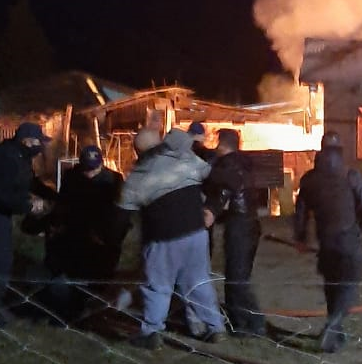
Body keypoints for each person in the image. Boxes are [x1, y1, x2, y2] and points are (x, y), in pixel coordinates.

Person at [118, 128, 226, 350]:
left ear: (137, 151)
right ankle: (215, 328)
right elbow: (213, 178)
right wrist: (211, 208)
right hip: (196, 233)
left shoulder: (136, 177)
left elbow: (121, 215)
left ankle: (151, 333)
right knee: (198, 283)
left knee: (158, 286)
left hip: (163, 238)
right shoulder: (185, 159)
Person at [294, 130, 362, 353]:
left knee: (332, 286)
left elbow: (301, 212)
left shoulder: (309, 180)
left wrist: (300, 238)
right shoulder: (350, 176)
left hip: (326, 243)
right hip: (348, 243)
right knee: (348, 286)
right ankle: (332, 326)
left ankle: (335, 334)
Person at [43, 145, 126, 321]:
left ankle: (91, 308)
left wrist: (109, 234)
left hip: (101, 237)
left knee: (99, 276)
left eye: (94, 169)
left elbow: (120, 212)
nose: (89, 173)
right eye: (86, 169)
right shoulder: (72, 176)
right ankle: (70, 308)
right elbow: (63, 203)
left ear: (101, 164)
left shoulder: (114, 179)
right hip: (75, 233)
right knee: (73, 272)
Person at [0, 121, 58, 325]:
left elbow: (31, 182)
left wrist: (54, 195)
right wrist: (29, 206)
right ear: (27, 140)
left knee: (2, 259)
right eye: (39, 141)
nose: (41, 146)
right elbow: (2, 192)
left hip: (1, 215)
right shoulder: (7, 157)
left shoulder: (21, 156)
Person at [202, 129, 266, 337]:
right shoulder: (245, 163)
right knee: (238, 276)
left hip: (239, 224)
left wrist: (212, 210)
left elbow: (225, 189)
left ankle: (253, 323)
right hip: (251, 223)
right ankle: (238, 322)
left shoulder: (227, 165)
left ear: (222, 144)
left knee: (236, 277)